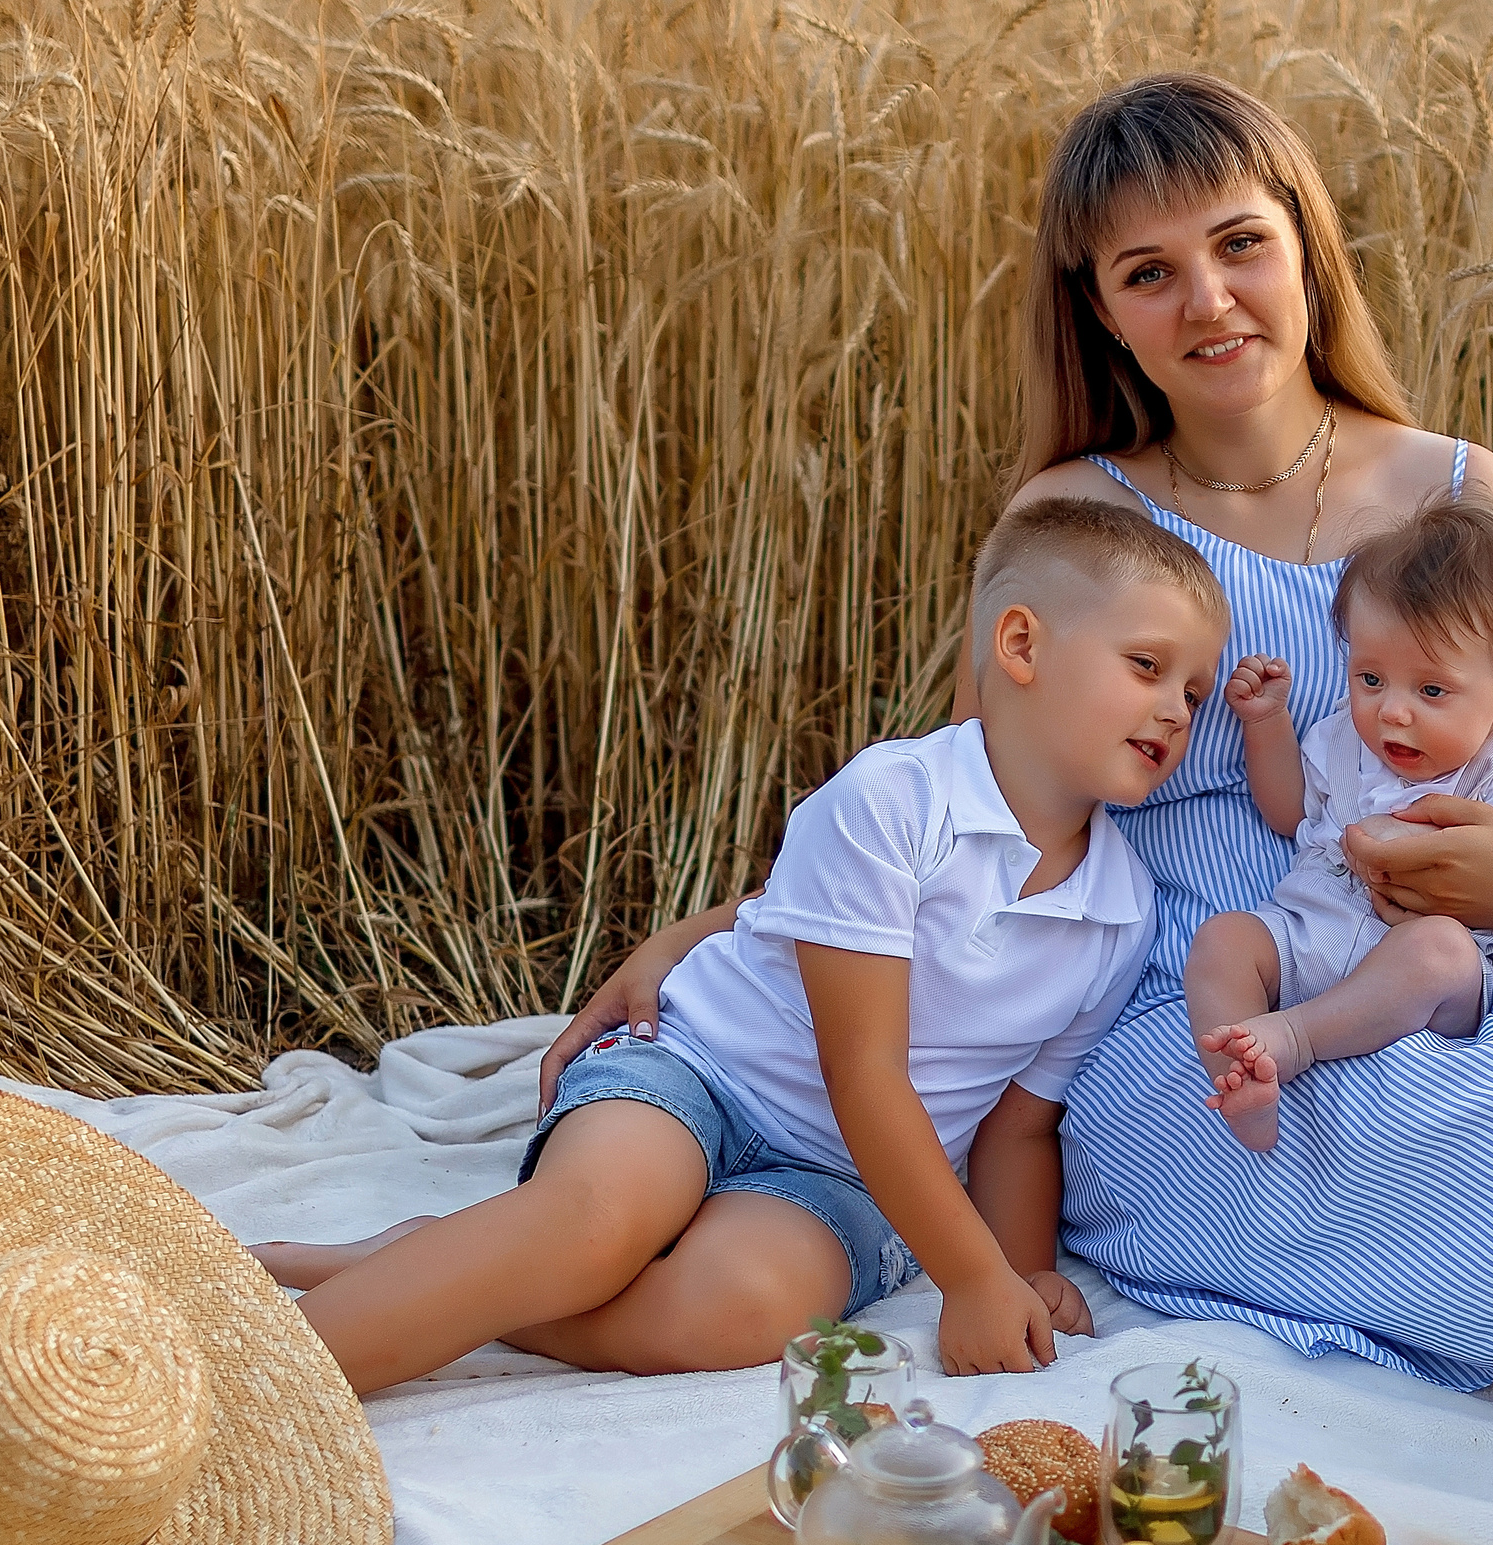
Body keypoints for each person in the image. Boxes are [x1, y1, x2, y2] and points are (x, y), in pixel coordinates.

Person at [545, 73, 1493, 1515]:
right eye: (1147, 272)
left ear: (1305, 250)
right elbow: (965, 821)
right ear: (1103, 316)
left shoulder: (1464, 490)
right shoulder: (1079, 517)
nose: (1205, 299)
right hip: (1181, 1003)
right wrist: (715, 925)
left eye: (1238, 244)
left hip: (1467, 938)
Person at [253, 499, 1230, 1392]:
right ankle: (253, 1389)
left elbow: (1017, 1125)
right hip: (700, 1073)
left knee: (746, 1307)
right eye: (1147, 667)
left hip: (842, 1181)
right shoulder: (893, 802)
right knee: (596, 1226)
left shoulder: (1119, 912)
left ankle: (460, 1274)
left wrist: (1019, 1274)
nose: (1177, 710)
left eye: (1195, 691)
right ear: (1020, 644)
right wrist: (968, 1277)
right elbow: (864, 1071)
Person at [1187, 498, 1493, 1152]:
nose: (1391, 711)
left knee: (1441, 952)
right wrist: (1266, 724)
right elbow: (1288, 810)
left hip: (1418, 966)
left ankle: (1296, 1038)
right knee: (1222, 941)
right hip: (1309, 930)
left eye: (1431, 691)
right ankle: (1243, 1080)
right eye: (1370, 677)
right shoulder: (1344, 734)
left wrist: (1406, 846)